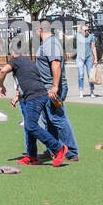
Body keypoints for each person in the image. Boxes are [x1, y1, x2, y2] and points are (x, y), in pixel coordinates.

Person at [0, 56, 69, 166]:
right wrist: (18, 98)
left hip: (35, 98)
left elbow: (3, 71)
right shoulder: (29, 63)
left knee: (31, 126)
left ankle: (58, 148)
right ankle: (32, 157)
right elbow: (30, 84)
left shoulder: (16, 61)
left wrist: (1, 85)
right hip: (38, 95)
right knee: (29, 126)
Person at [35, 23, 78, 162]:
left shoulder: (51, 44)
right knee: (48, 120)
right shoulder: (47, 43)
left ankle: (71, 152)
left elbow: (56, 64)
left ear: (41, 30)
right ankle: (53, 149)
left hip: (52, 89)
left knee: (58, 119)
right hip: (46, 88)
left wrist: (54, 86)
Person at [75, 23, 98, 98]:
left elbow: (93, 48)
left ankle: (92, 91)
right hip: (80, 58)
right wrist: (61, 34)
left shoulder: (91, 37)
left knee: (90, 75)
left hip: (88, 57)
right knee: (81, 74)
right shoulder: (78, 36)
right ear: (81, 30)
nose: (86, 32)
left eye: (87, 30)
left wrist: (96, 59)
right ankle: (81, 91)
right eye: (85, 30)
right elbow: (69, 37)